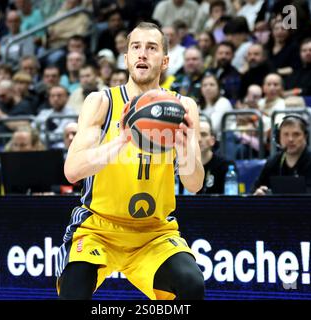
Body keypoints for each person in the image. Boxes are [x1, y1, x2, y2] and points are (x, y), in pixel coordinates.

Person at [55, 22, 205, 300]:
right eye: (135, 47)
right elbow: (72, 171)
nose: (142, 54)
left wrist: (186, 151)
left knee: (191, 285)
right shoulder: (101, 102)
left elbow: (194, 184)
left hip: (154, 233)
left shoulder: (183, 107)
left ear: (165, 60)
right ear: (126, 58)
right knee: (74, 292)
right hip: (98, 227)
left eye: (152, 48)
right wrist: (121, 141)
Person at [252, 115, 311, 195]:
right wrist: (258, 194)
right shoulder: (273, 161)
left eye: (296, 134)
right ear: (278, 138)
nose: (290, 139)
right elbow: (253, 191)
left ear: (305, 136)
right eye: (286, 134)